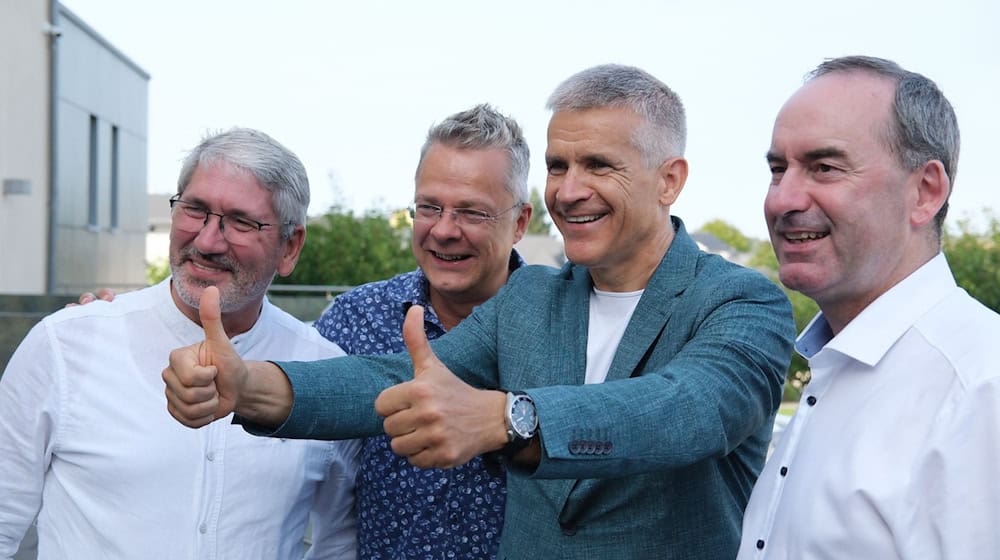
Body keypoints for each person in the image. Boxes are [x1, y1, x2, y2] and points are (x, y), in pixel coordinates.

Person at [165, 65, 796, 559]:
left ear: (669, 180)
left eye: (598, 165)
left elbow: (686, 408)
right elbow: (391, 382)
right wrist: (247, 386)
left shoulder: (745, 302)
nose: (568, 191)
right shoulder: (532, 299)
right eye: (558, 166)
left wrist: (508, 417)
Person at [0, 128, 359, 559]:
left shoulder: (323, 371)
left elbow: (339, 541)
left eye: (241, 221)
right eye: (195, 209)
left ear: (290, 246)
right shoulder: (66, 345)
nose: (207, 241)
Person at [738, 55, 1000, 558]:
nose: (782, 200)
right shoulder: (835, 366)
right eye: (778, 169)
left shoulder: (978, 391)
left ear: (925, 192)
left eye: (825, 167)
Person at [313, 104, 531, 559]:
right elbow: (283, 376)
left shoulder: (566, 327)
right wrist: (126, 318)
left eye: (472, 212)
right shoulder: (356, 319)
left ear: (521, 222)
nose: (445, 230)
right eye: (429, 207)